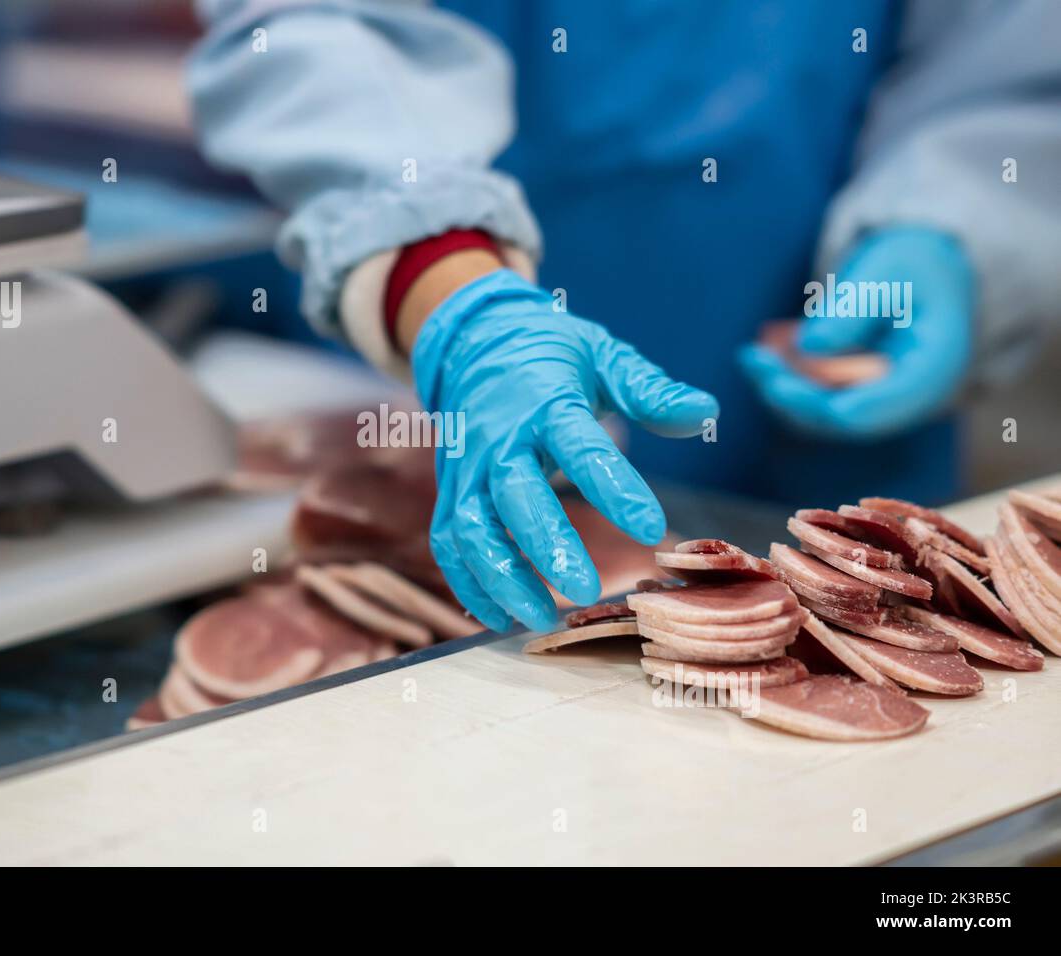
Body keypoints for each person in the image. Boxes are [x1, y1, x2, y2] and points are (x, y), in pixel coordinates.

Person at [187, 0, 1061, 632]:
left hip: (809, 397)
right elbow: (312, 28)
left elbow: (1013, 57)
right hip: (426, 383)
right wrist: (446, 282)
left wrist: (955, 224)